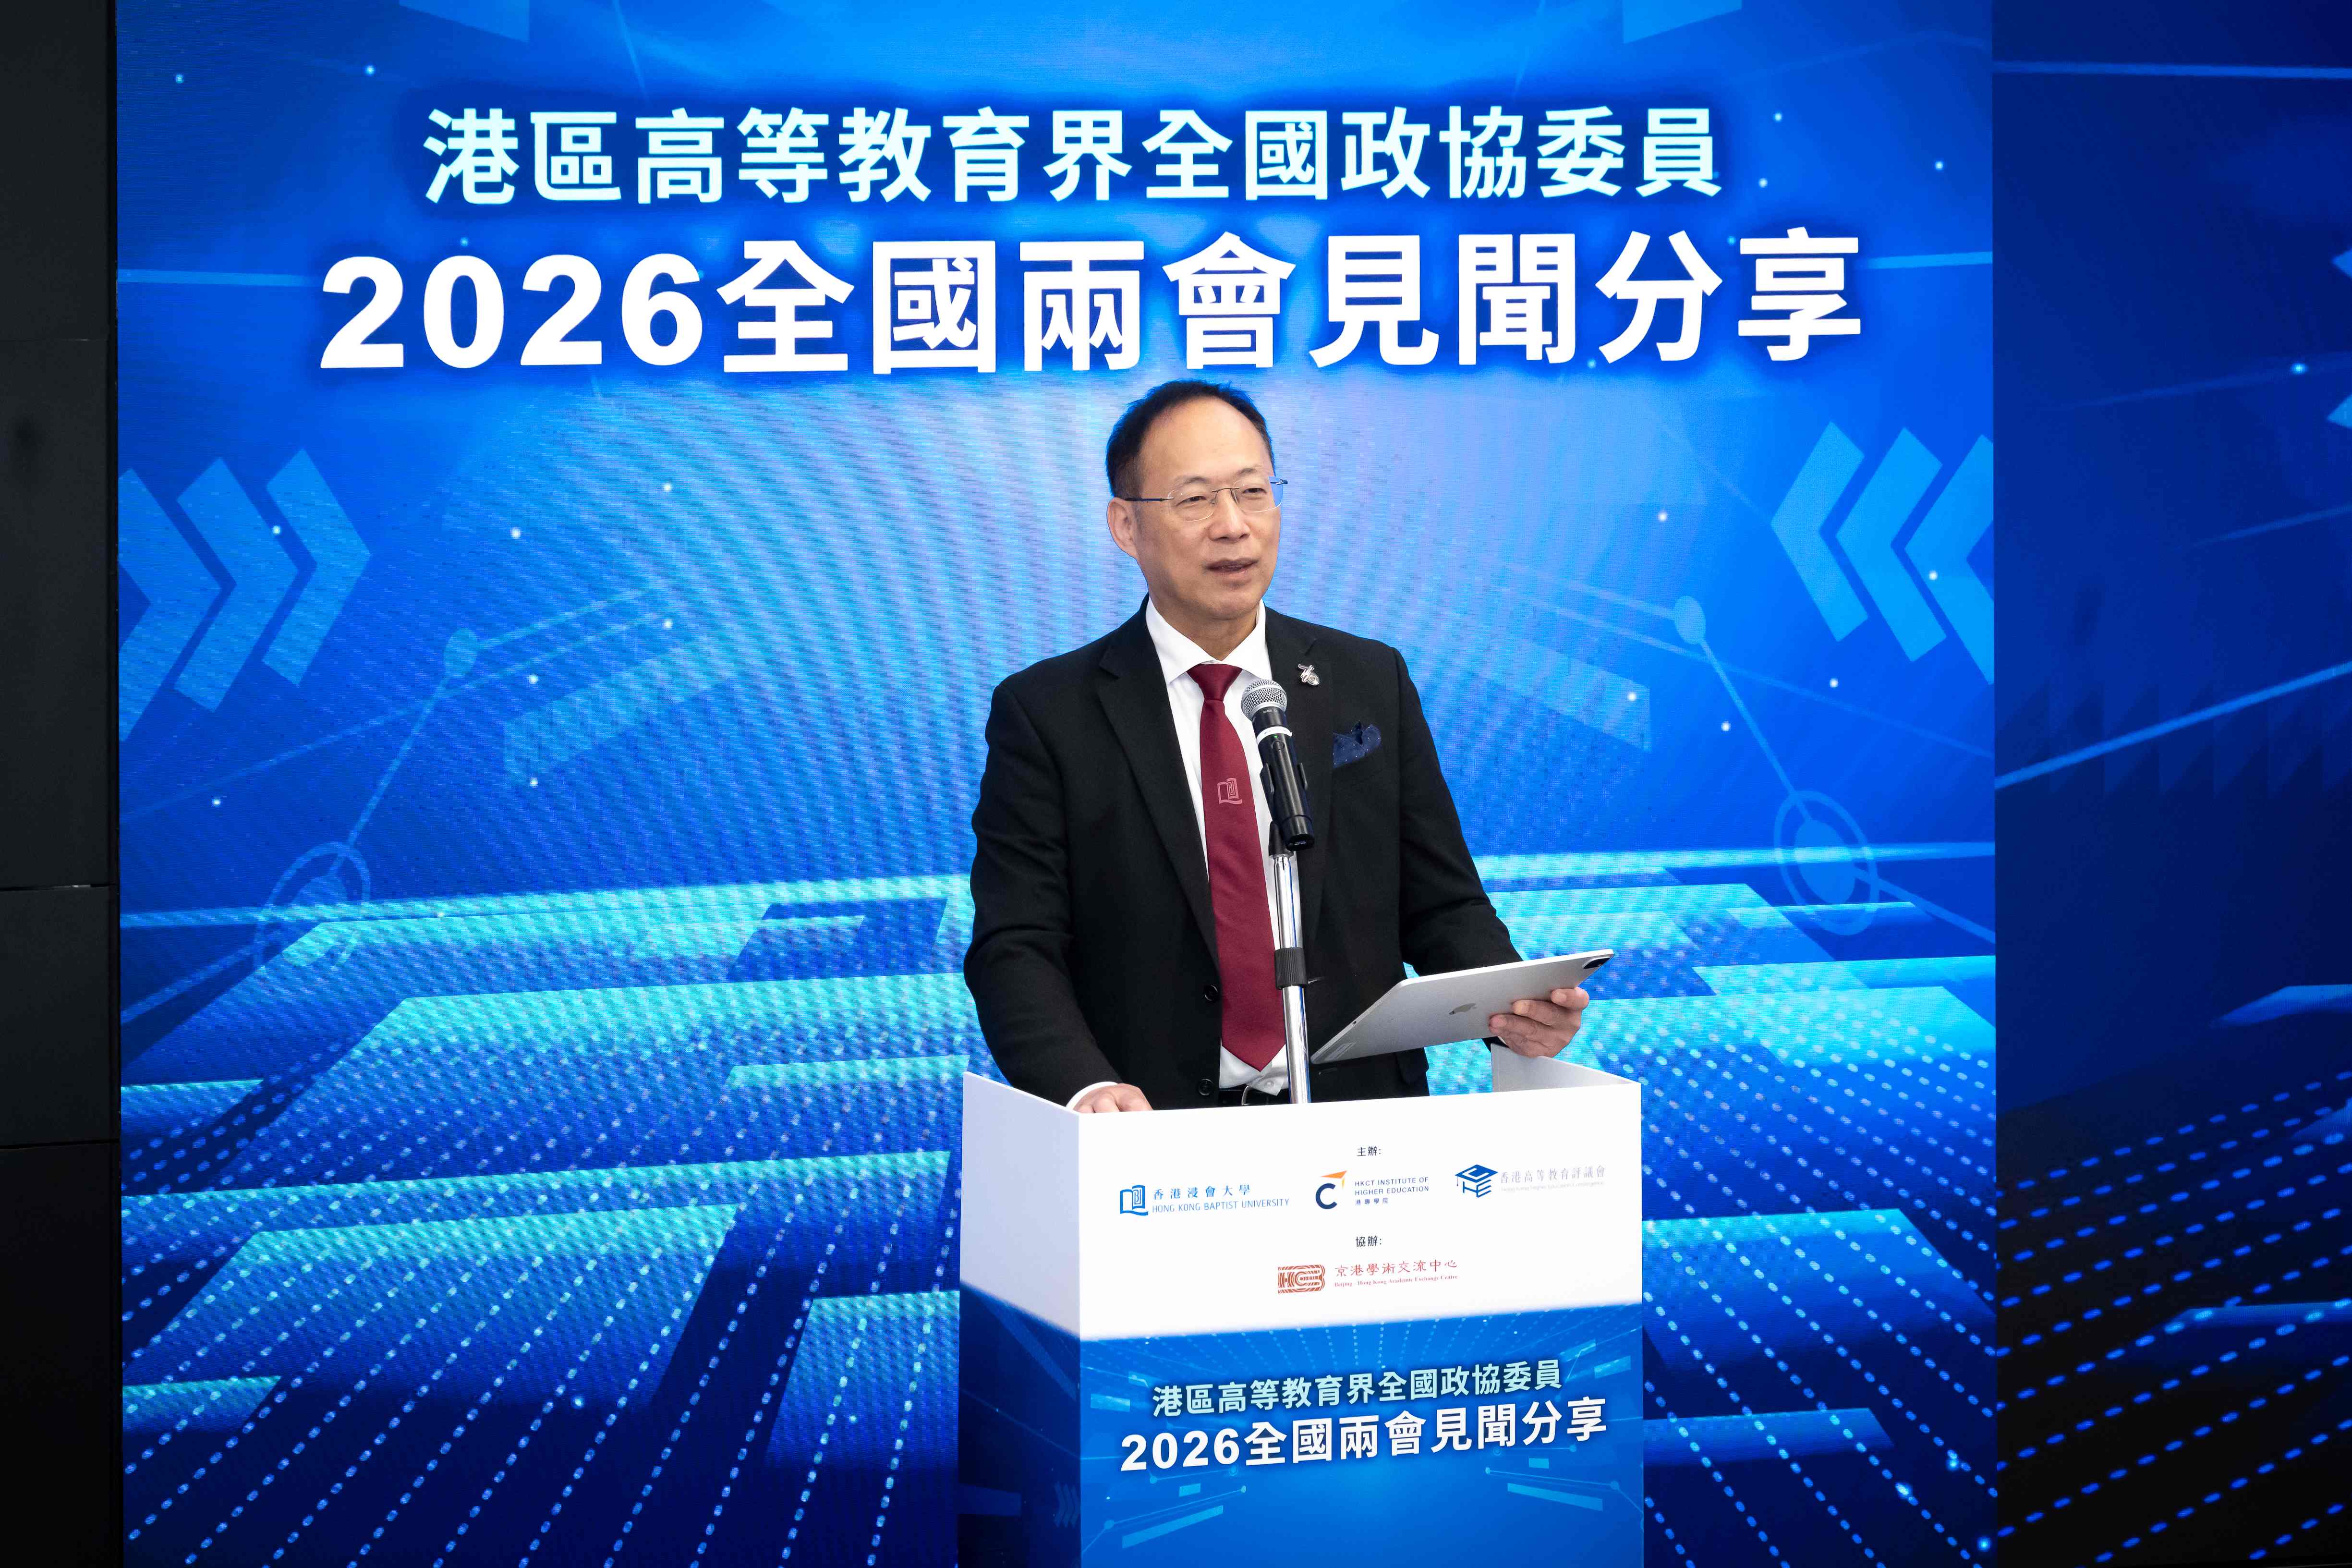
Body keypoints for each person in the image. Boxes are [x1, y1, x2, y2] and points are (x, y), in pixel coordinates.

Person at [964, 379, 1588, 1112]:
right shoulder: (1048, 712)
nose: (1233, 526)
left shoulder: (1368, 680)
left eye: (1253, 492)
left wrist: (1517, 1006)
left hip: (1361, 1123)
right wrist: (1086, 1086)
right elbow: (1016, 944)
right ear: (1126, 525)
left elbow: (1441, 903)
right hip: (1151, 1130)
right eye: (1195, 499)